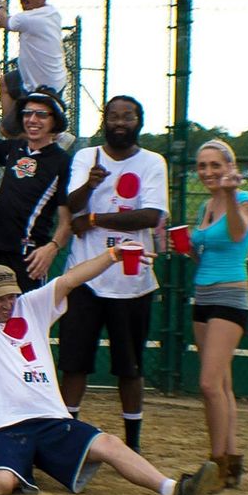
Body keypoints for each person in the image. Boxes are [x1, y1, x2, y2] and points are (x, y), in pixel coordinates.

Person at [0, 181, 215, 495]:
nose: (8, 303)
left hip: (52, 420)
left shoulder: (32, 307)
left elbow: (72, 278)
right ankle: (15, 464)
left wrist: (113, 255)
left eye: (12, 295)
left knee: (110, 444)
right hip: (5, 427)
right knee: (1, 486)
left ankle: (175, 489)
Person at [58, 96, 167, 453]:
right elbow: (70, 207)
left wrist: (93, 220)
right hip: (85, 278)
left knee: (129, 368)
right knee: (74, 364)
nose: (120, 123)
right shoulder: (86, 157)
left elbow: (150, 216)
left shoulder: (152, 162)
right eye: (114, 116)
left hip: (131, 282)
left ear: (139, 121)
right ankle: (67, 436)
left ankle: (132, 444)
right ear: (104, 120)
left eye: (128, 116)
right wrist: (89, 187)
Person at [191, 139, 248, 490]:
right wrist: (187, 248)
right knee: (223, 384)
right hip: (202, 297)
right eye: (202, 166)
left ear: (230, 167)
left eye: (215, 165)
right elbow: (204, 255)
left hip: (230, 297)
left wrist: (231, 195)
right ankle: (231, 463)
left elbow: (237, 233)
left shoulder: (245, 200)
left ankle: (215, 467)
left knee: (208, 384)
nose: (208, 172)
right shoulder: (204, 206)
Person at [0, 84, 71, 292]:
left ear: (54, 120)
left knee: (23, 320)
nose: (32, 119)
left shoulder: (62, 162)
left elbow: (66, 221)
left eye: (41, 114)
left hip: (29, 256)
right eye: (27, 113)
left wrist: (52, 248)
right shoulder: (15, 148)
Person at [0, 0, 67, 130]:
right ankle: (15, 130)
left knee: (17, 130)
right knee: (5, 82)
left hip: (45, 87)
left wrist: (0, 6)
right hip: (43, 79)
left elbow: (3, 21)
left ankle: (52, 136)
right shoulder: (52, 12)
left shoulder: (29, 18)